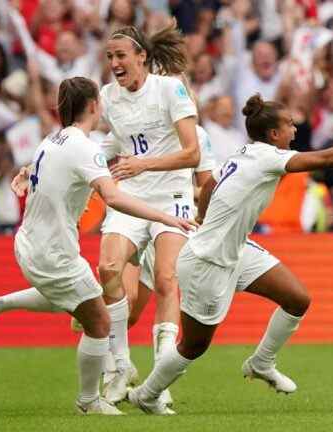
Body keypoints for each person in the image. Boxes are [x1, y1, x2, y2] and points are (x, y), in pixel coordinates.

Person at [126, 94, 333, 415]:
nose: (295, 129)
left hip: (237, 250)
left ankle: (262, 362)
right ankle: (146, 394)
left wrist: (205, 218)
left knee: (297, 299)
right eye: (289, 124)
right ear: (274, 134)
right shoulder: (267, 157)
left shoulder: (244, 153)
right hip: (208, 262)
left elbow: (209, 186)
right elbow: (323, 159)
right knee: (193, 346)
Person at [0, 77, 195, 415]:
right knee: (99, 322)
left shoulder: (52, 140)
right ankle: (90, 399)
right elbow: (114, 196)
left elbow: (59, 175)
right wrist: (166, 217)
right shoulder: (83, 147)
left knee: (76, 298)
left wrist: (28, 172)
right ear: (93, 106)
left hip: (29, 244)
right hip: (53, 254)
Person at [96, 22, 203, 404]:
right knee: (108, 268)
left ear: (141, 56)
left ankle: (159, 377)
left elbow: (193, 153)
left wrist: (144, 164)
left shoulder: (170, 88)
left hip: (171, 193)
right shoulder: (108, 97)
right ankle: (121, 364)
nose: (114, 63)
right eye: (110, 57)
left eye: (121, 55)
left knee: (166, 278)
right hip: (132, 196)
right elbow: (114, 141)